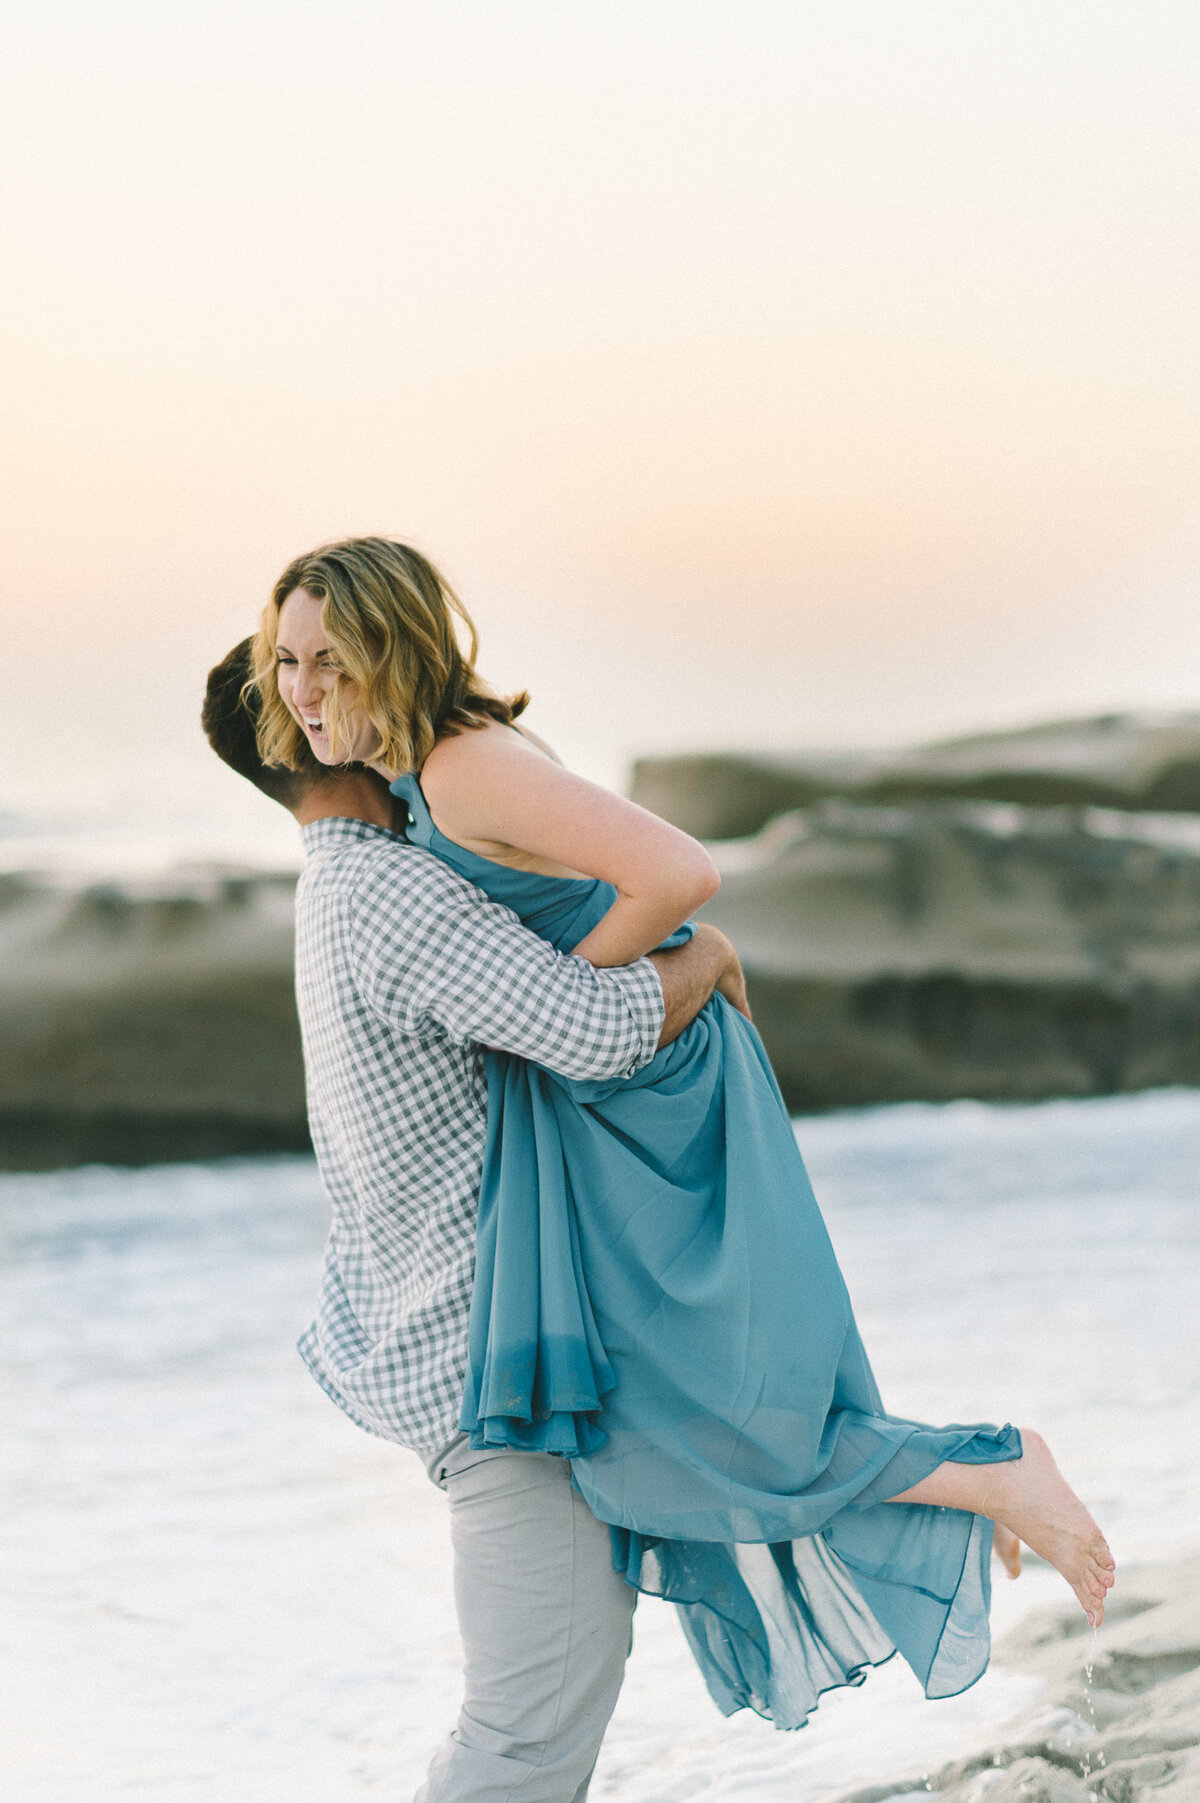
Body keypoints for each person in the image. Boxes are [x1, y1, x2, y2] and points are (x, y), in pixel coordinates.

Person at [245, 536, 1116, 1729]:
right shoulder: (414, 782)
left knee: (711, 1402)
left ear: (396, 646)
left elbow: (680, 871)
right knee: (675, 1418)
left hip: (653, 1086)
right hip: (608, 1090)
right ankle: (974, 1481)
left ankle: (994, 1467)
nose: (304, 690)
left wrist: (560, 1002)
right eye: (286, 661)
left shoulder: (460, 769)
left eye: (331, 661)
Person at [202, 640, 752, 1802]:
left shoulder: (344, 890)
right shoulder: (389, 893)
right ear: (294, 729)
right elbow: (584, 1030)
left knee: (531, 1715)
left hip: (479, 1354)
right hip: (496, 1374)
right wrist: (699, 956)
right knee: (526, 1735)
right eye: (315, 677)